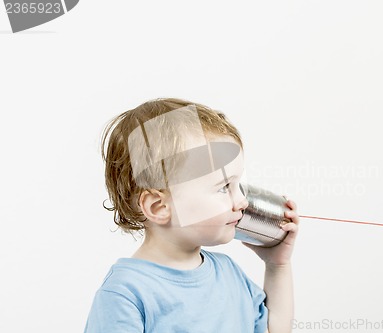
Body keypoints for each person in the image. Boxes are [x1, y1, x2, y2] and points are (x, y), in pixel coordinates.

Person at [84, 98, 299, 333]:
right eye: (223, 187)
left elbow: (273, 329)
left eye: (239, 185)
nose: (242, 201)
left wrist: (277, 264)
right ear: (159, 207)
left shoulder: (228, 274)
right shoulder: (126, 293)